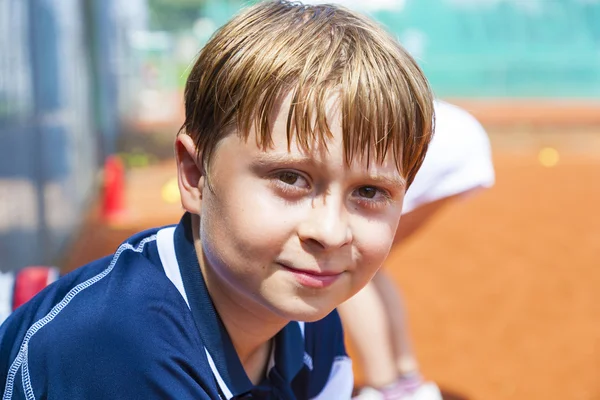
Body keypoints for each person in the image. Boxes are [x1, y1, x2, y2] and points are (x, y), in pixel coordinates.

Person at [0, 1, 435, 398]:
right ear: (195, 175)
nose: (330, 232)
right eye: (290, 178)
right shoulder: (119, 351)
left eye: (370, 192)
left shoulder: (309, 324)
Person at [340, 100, 495, 400]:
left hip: (430, 142)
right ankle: (407, 383)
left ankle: (385, 388)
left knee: (346, 264)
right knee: (365, 267)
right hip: (454, 136)